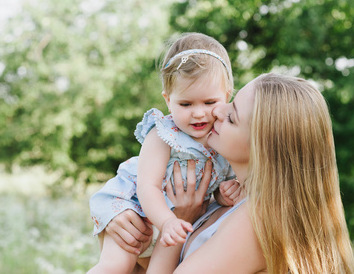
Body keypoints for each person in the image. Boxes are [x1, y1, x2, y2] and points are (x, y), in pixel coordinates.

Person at [111, 73, 354, 273]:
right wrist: (122, 216)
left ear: (262, 145)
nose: (217, 111)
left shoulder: (258, 218)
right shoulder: (228, 198)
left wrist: (179, 221)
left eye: (231, 117)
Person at [88, 33, 241, 274]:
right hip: (135, 205)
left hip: (175, 225)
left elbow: (215, 189)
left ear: (227, 95)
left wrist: (223, 195)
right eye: (186, 104)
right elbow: (147, 186)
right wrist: (167, 221)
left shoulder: (226, 140)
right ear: (168, 101)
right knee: (117, 266)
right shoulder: (163, 133)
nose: (199, 113)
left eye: (209, 102)